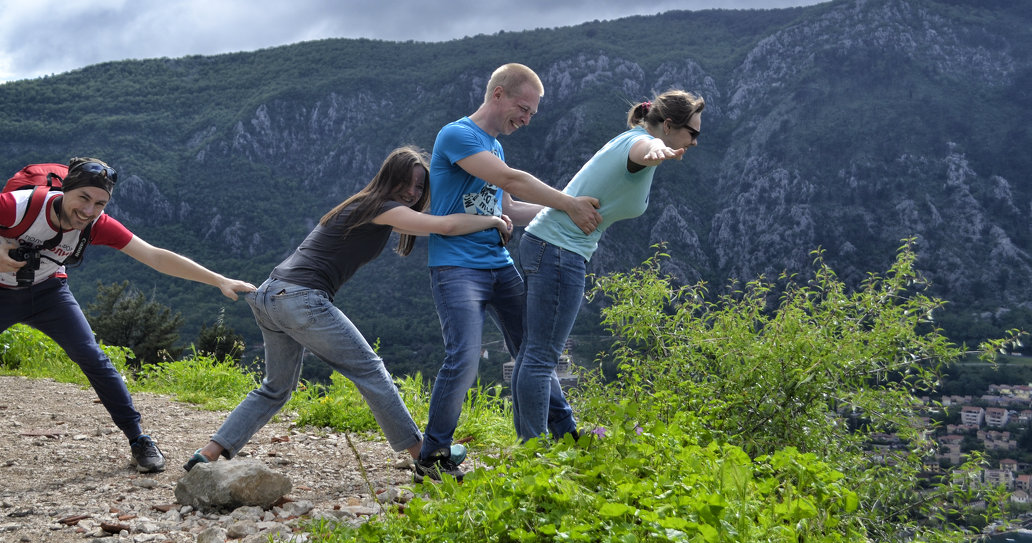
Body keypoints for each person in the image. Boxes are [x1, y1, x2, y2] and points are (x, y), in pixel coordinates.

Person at [0, 157, 255, 476]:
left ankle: (138, 440)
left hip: (49, 295)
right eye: (83, 198)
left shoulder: (95, 225)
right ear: (65, 190)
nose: (90, 210)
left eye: (100, 203)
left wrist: (218, 279)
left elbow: (153, 256)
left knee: (95, 360)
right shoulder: (21, 205)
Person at [184, 146, 511, 478]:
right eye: (407, 183)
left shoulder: (363, 205)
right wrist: (493, 220)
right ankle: (424, 456)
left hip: (271, 295)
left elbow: (433, 222)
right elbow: (443, 226)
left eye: (418, 187)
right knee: (371, 371)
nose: (412, 193)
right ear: (389, 179)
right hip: (300, 299)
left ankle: (208, 454)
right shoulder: (382, 208)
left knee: (275, 387)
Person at [418, 63, 603, 481]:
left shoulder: (495, 146)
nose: (527, 118)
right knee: (463, 357)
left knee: (537, 352)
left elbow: (510, 210)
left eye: (534, 112)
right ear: (498, 94)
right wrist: (566, 203)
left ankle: (566, 435)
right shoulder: (458, 135)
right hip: (456, 267)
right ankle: (432, 456)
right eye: (524, 107)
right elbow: (510, 181)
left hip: (499, 266)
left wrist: (578, 215)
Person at [512, 90, 704, 441]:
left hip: (548, 246)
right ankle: (533, 452)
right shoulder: (641, 144)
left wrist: (657, 148)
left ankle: (555, 437)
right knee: (541, 357)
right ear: (669, 125)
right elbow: (643, 152)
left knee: (533, 353)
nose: (694, 142)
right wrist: (657, 150)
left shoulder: (633, 138)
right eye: (692, 133)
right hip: (558, 251)